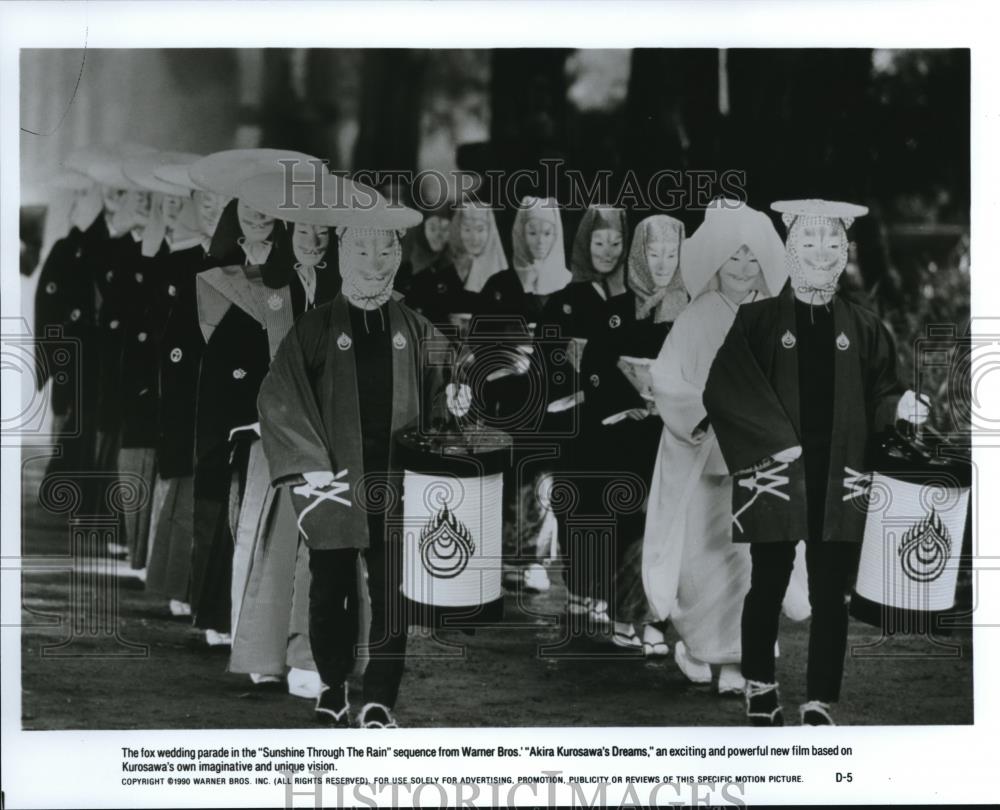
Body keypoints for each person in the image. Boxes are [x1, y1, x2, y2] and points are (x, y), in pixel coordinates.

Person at [703, 198, 929, 725]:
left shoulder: (865, 327)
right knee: (768, 583)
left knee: (832, 595)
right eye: (809, 241)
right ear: (790, 248)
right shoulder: (757, 320)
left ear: (845, 250)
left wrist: (900, 405)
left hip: (840, 476)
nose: (821, 252)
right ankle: (759, 685)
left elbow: (881, 391)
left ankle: (819, 700)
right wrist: (772, 440)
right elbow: (726, 385)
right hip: (778, 474)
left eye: (831, 242)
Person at [257, 178, 467, 729]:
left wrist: (462, 396)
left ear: (397, 255)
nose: (374, 260)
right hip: (332, 479)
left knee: (393, 592)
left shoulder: (416, 328)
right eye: (362, 249)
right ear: (345, 252)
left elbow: (452, 387)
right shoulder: (317, 325)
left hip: (397, 482)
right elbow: (280, 395)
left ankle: (378, 699)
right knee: (330, 590)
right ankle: (332, 686)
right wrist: (311, 464)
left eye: (384, 250)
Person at [642, 202, 795, 694]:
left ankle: (739, 659)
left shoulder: (774, 317)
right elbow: (666, 378)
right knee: (704, 558)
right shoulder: (698, 314)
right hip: (707, 452)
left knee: (747, 558)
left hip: (757, 456)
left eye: (753, 260)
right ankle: (699, 647)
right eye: (733, 259)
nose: (744, 269)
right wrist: (702, 411)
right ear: (715, 262)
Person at [188, 148, 314, 648]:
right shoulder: (216, 266)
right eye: (249, 204)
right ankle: (220, 614)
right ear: (235, 208)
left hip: (276, 399)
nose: (259, 214)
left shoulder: (297, 273)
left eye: (269, 206)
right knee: (226, 504)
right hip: (227, 395)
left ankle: (261, 626)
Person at [579, 214, 688, 656]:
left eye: (671, 255)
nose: (661, 265)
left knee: (668, 526)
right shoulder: (615, 314)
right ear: (638, 256)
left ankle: (659, 622)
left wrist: (671, 400)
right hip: (625, 435)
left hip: (674, 434)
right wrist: (628, 401)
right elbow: (594, 371)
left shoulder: (690, 312)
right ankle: (625, 613)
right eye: (652, 254)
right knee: (628, 522)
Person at [537, 204, 630, 627]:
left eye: (615, 242)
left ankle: (606, 591)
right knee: (574, 501)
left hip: (617, 420)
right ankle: (577, 588)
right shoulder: (565, 299)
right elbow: (546, 356)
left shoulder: (632, 298)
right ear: (583, 243)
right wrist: (569, 380)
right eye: (598, 242)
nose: (607, 251)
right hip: (575, 419)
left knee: (613, 503)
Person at [143, 152, 227, 617]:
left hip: (225, 386)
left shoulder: (240, 261)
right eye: (206, 199)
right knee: (186, 483)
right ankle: (180, 580)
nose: (214, 207)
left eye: (222, 199)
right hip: (187, 381)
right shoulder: (180, 261)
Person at [476, 197, 571, 593]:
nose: (539, 239)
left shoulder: (569, 285)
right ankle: (500, 556)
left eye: (547, 231)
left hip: (552, 400)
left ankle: (534, 558)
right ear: (518, 232)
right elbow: (478, 344)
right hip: (507, 399)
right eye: (531, 230)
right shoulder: (499, 284)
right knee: (508, 474)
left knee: (543, 478)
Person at [405, 200, 507, 333]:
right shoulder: (437, 274)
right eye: (466, 229)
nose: (473, 237)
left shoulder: (504, 279)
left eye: (480, 229)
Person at [394, 205, 452, 300]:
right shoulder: (403, 268)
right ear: (422, 229)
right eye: (432, 228)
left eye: (445, 229)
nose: (438, 235)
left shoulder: (456, 267)